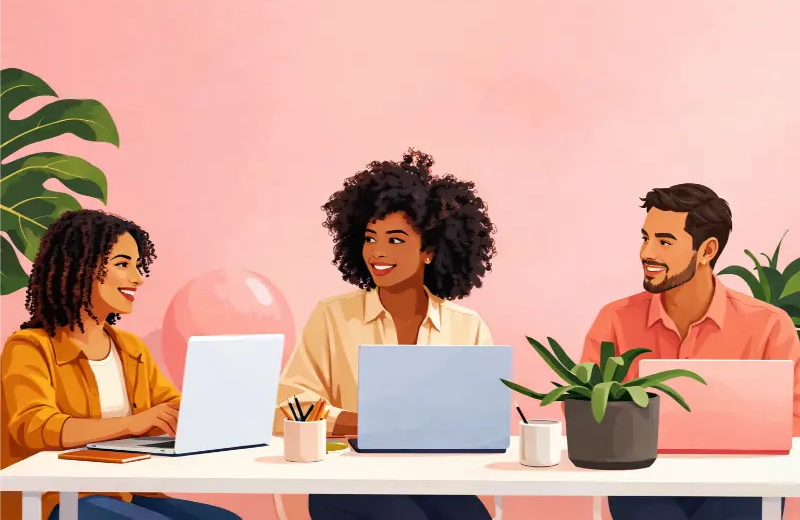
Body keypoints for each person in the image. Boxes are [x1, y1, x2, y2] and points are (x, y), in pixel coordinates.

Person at [276, 149, 498, 520]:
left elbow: (483, 419)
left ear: (428, 251)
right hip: (347, 480)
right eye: (369, 237)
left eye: (395, 240)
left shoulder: (467, 325)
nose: (377, 252)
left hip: (435, 480)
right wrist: (370, 424)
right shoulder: (332, 316)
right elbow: (291, 407)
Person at [0, 209, 241, 520]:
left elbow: (168, 407)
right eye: (123, 264)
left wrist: (211, 409)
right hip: (56, 498)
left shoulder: (130, 348)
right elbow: (34, 427)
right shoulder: (30, 347)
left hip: (123, 490)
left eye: (138, 266)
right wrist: (134, 423)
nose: (138, 278)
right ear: (80, 267)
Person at [580, 184, 798, 520]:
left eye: (664, 242)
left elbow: (794, 422)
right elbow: (585, 408)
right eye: (645, 238)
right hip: (643, 481)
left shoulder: (769, 326)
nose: (646, 252)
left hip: (743, 483)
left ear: (707, 250)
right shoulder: (615, 319)